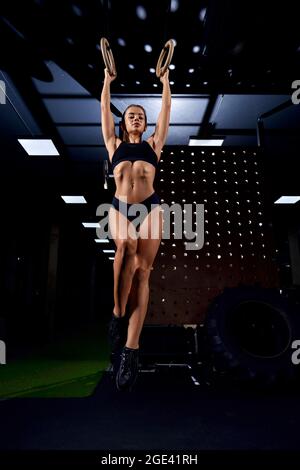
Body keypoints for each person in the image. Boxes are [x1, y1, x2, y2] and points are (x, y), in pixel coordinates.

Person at [100, 66, 171, 391]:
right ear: (123, 121)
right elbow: (103, 109)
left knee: (143, 272)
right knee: (126, 245)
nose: (137, 118)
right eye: (131, 114)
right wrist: (107, 81)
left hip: (151, 206)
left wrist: (165, 81)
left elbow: (165, 111)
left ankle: (131, 350)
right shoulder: (113, 145)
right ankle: (117, 313)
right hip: (120, 206)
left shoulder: (154, 145)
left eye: (141, 114)